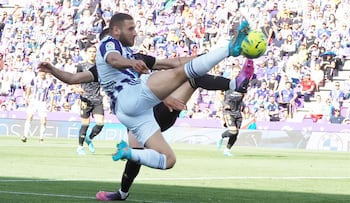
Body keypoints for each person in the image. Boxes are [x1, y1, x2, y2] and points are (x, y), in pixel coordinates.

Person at [37, 22, 253, 200]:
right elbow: (75, 78)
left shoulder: (136, 57)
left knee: (190, 76)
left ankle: (235, 84)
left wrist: (215, 54)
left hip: (151, 108)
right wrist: (53, 69)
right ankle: (122, 192)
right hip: (142, 108)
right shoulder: (106, 64)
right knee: (139, 154)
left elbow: (174, 63)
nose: (133, 34)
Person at [217, 59, 253, 157]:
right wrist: (224, 104)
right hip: (228, 111)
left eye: (238, 72)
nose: (237, 73)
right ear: (232, 72)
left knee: (235, 133)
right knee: (233, 131)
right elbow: (219, 93)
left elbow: (244, 95)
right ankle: (221, 136)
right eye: (235, 72)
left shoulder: (242, 84)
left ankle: (227, 150)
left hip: (238, 112)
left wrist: (244, 106)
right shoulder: (227, 83)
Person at [75, 45, 104, 155]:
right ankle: (80, 147)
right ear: (86, 53)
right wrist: (76, 88)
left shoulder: (100, 66)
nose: (92, 53)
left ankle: (90, 138)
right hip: (85, 99)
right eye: (90, 51)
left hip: (97, 99)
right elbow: (74, 80)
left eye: (94, 52)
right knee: (85, 124)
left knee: (100, 123)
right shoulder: (81, 66)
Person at [21, 71, 55, 143]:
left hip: (42, 103)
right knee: (29, 116)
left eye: (43, 72)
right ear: (39, 73)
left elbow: (52, 94)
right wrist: (27, 97)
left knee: (43, 120)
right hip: (34, 101)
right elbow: (29, 88)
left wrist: (51, 105)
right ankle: (25, 136)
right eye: (41, 72)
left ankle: (41, 138)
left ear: (46, 73)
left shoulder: (49, 82)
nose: (42, 74)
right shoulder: (35, 79)